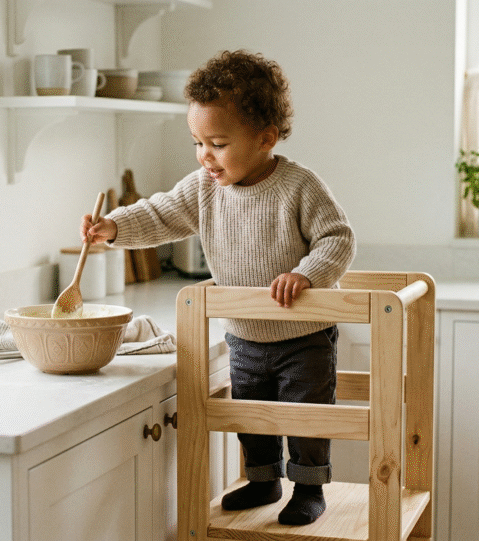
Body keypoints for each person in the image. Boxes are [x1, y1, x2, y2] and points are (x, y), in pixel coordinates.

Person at [80, 49, 355, 525]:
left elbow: (338, 238)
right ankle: (264, 480)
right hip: (244, 334)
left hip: (304, 337)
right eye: (197, 142)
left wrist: (306, 274)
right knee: (249, 415)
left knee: (305, 418)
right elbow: (160, 213)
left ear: (265, 138)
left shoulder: (299, 186)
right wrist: (114, 228)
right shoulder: (205, 188)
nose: (205, 155)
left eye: (218, 143)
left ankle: (309, 489)